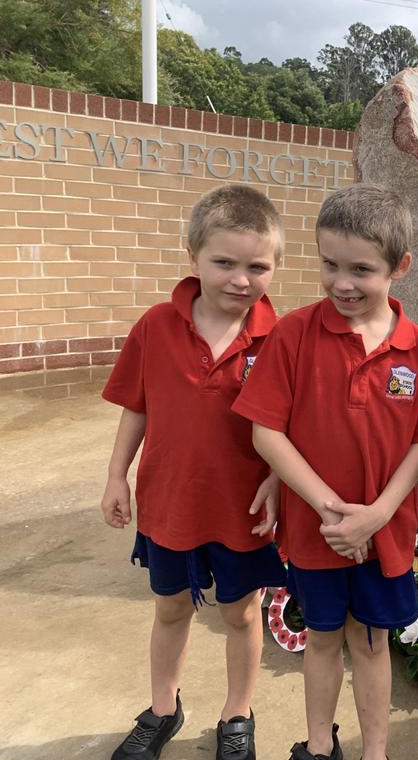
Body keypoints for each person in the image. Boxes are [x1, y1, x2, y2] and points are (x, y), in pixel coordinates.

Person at [232, 184, 418, 760]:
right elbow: (267, 432)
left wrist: (378, 513)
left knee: (371, 641)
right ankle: (317, 745)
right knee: (322, 638)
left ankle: (375, 751)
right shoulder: (293, 334)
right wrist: (330, 509)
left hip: (385, 530)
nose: (342, 282)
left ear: (399, 267)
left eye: (361, 269)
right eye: (329, 264)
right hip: (318, 531)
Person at [101, 184, 287, 760]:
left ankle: (237, 713)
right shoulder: (155, 327)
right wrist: (116, 476)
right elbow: (138, 405)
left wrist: (278, 481)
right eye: (223, 262)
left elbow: (291, 425)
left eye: (257, 266)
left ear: (275, 266)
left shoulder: (282, 339)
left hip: (243, 508)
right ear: (192, 256)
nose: (240, 279)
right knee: (171, 607)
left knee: (241, 611)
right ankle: (163, 708)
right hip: (170, 501)